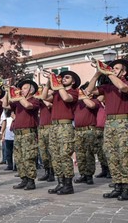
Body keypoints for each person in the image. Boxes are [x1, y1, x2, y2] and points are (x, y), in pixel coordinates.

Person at [86, 58, 128, 200]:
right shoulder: (108, 87)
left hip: (123, 122)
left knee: (124, 155)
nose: (113, 70)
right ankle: (118, 185)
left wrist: (108, 72)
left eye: (116, 68)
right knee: (111, 154)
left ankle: (126, 186)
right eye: (112, 68)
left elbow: (122, 88)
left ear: (124, 71)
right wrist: (97, 74)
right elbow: (89, 90)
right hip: (109, 123)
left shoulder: (125, 83)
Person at [42, 70, 80, 195]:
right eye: (62, 77)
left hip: (65, 126)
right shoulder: (57, 92)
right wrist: (48, 83)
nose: (63, 79)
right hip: (54, 126)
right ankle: (60, 182)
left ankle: (68, 185)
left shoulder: (73, 92)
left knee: (64, 155)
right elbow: (43, 97)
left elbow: (66, 98)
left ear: (73, 81)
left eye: (67, 77)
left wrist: (57, 84)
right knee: (55, 155)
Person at [3, 79, 40, 191]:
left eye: (24, 88)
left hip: (28, 133)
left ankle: (31, 180)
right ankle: (23, 178)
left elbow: (28, 106)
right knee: (19, 158)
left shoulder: (34, 100)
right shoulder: (18, 101)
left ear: (31, 90)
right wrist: (8, 91)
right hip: (18, 134)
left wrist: (19, 97)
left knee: (28, 157)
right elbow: (5, 105)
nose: (22, 90)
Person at [73, 82, 100, 185]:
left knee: (89, 153)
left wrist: (83, 96)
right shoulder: (78, 104)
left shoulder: (94, 100)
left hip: (89, 130)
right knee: (80, 155)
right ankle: (83, 174)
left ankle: (89, 175)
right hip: (78, 131)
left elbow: (91, 105)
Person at [36, 91, 54, 182]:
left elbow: (49, 105)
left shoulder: (53, 99)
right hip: (41, 128)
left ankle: (52, 172)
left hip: (50, 127)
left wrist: (43, 98)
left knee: (50, 151)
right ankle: (47, 171)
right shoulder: (41, 101)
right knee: (43, 152)